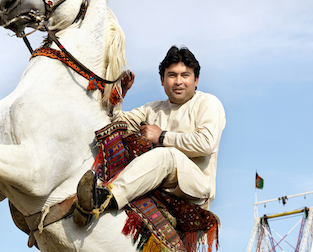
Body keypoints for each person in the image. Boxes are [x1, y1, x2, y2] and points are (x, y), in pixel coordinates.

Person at [74, 45, 225, 226]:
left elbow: (206, 144)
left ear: (196, 80)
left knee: (167, 154)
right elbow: (116, 123)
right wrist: (120, 94)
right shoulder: (152, 108)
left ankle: (106, 198)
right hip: (158, 182)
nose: (178, 81)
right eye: (172, 75)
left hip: (195, 187)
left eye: (185, 75)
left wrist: (162, 137)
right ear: (162, 80)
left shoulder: (208, 103)